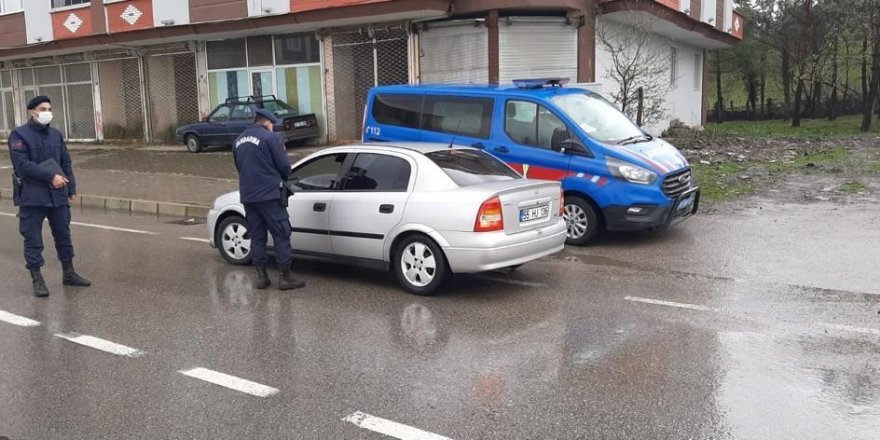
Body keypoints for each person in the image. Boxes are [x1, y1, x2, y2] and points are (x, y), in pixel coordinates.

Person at [8, 96, 90, 298]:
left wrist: (71, 186)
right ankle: (37, 279)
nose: (47, 112)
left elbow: (65, 161)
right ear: (32, 112)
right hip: (33, 196)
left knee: (63, 235)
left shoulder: (55, 134)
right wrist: (50, 177)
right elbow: (23, 166)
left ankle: (69, 273)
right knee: (33, 239)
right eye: (42, 108)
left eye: (49, 108)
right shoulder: (19, 135)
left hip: (58, 195)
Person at [233, 108, 305, 291]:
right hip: (269, 194)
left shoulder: (238, 140)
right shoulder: (271, 138)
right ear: (267, 122)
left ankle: (261, 277)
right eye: (272, 124)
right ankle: (285, 278)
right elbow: (284, 167)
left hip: (248, 196)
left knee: (257, 237)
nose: (273, 127)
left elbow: (240, 167)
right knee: (282, 233)